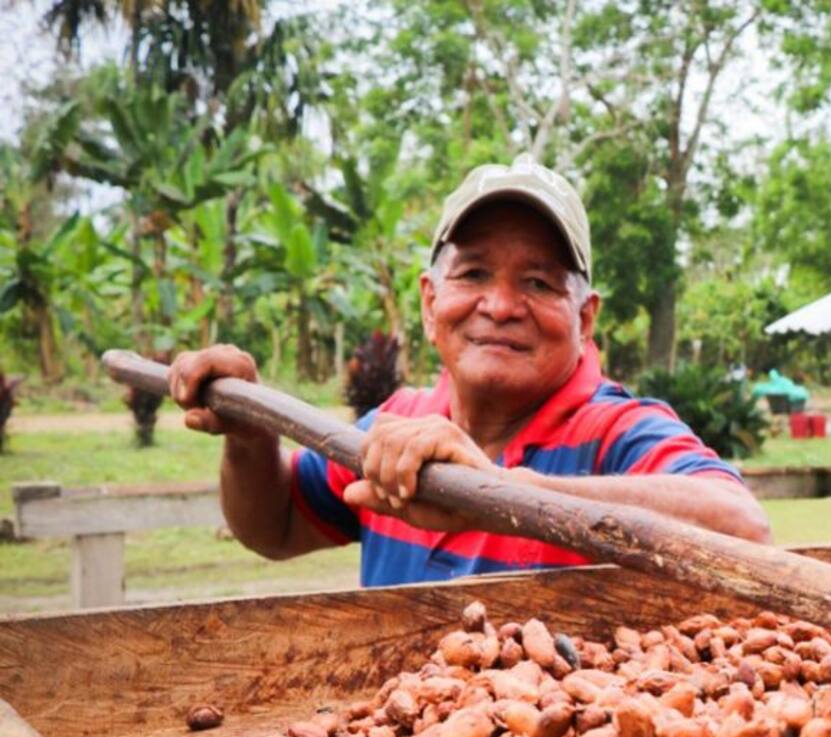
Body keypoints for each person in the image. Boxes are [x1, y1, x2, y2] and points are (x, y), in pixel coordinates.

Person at [168, 155, 771, 586]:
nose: (502, 306)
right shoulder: (392, 428)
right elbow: (273, 529)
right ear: (431, 304)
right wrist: (249, 438)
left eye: (538, 282)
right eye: (474, 273)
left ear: (584, 319)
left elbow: (744, 529)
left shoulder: (617, 432)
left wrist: (502, 493)